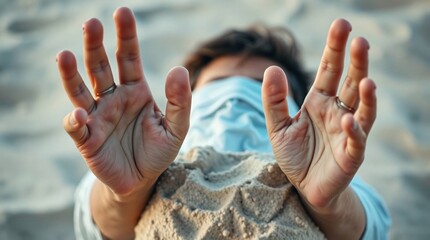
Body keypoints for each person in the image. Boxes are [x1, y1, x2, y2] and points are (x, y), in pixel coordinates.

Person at [56, 7, 390, 240]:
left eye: (263, 85)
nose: (235, 97)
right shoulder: (147, 162)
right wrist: (126, 193)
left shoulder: (330, 176)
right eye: (219, 84)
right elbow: (95, 227)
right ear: (186, 101)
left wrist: (328, 203)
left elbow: (371, 228)